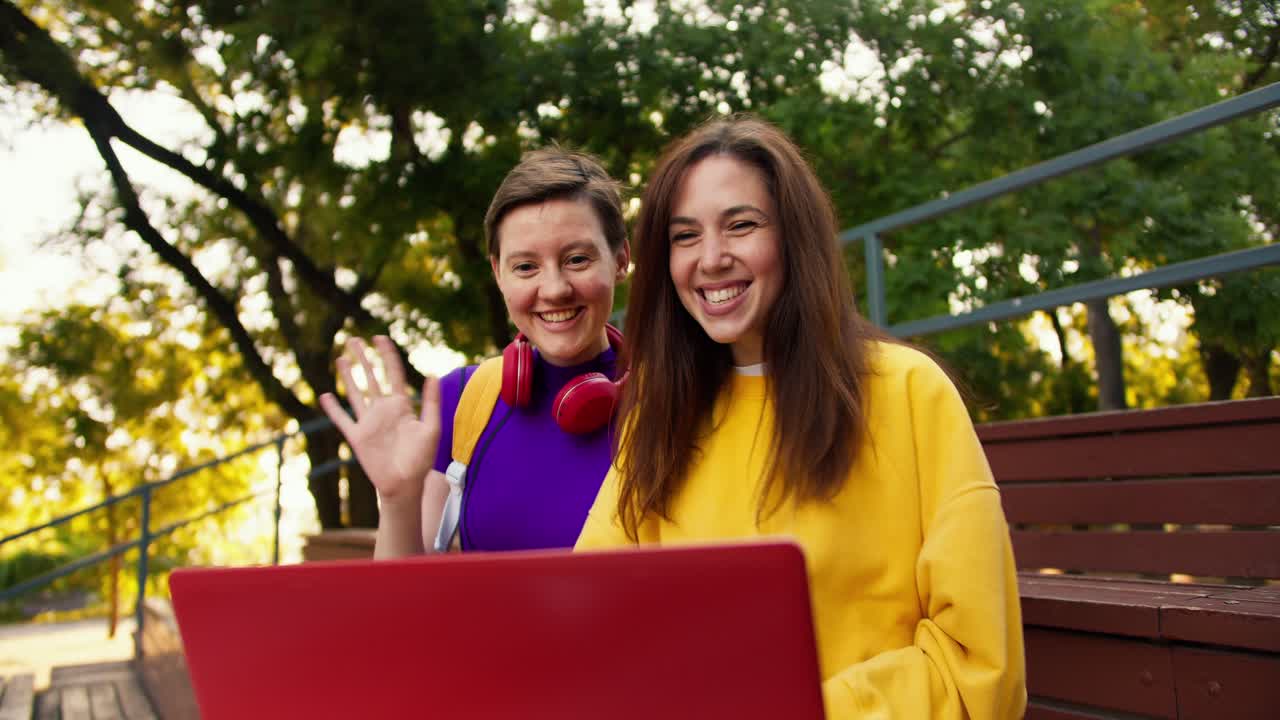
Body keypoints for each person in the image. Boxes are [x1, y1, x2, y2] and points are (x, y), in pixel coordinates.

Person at [575, 117, 1026, 718]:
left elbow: (980, 669)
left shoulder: (910, 392)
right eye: (685, 236)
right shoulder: (658, 416)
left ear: (794, 237)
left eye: (741, 225)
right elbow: (593, 618)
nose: (712, 258)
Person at [321, 147, 630, 557]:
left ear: (620, 260)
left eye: (577, 259)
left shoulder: (676, 396)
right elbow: (403, 590)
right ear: (498, 273)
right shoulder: (462, 399)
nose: (555, 289)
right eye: (526, 267)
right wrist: (398, 499)